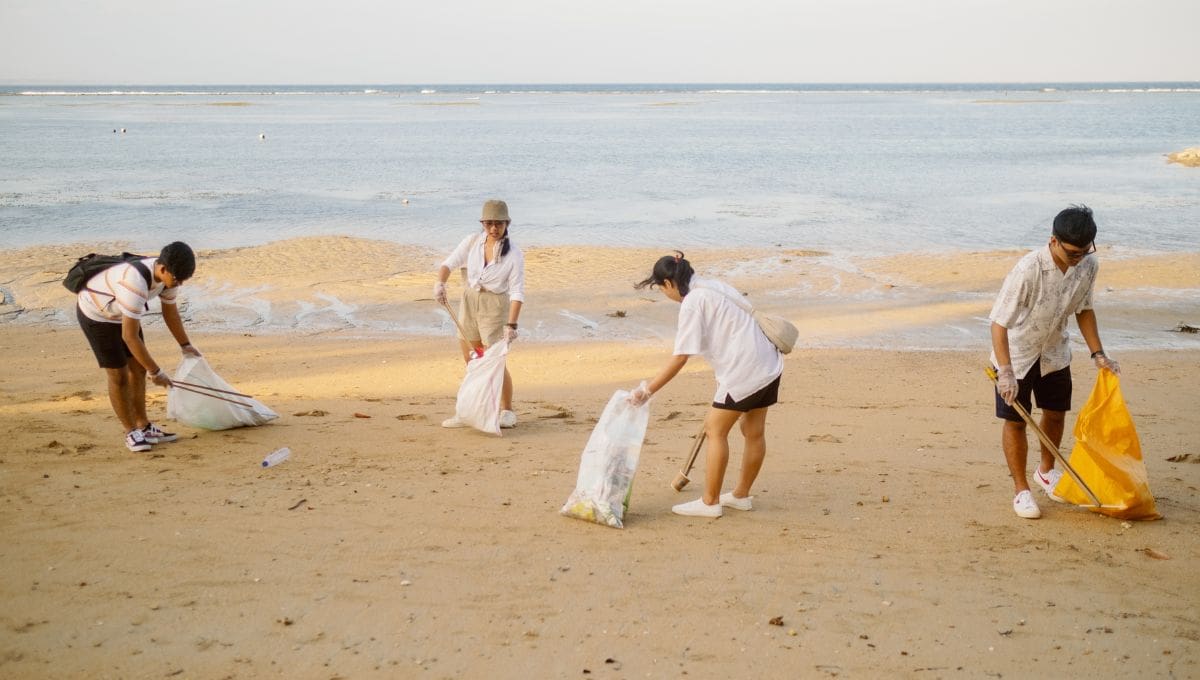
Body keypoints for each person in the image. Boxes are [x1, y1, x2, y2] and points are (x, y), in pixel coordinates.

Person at [628, 252, 784, 518]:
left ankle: (710, 502)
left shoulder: (692, 302)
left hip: (744, 370)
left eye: (661, 289)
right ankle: (740, 496)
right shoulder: (712, 285)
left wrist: (647, 390)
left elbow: (680, 358)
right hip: (768, 362)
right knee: (753, 430)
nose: (665, 295)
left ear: (668, 284)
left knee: (715, 429)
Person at [990, 205, 1120, 519]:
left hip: (1055, 352)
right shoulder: (1028, 270)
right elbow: (998, 323)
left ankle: (1046, 472)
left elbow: (1084, 309)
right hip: (1017, 355)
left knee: (1056, 413)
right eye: (1073, 253)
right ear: (1053, 241)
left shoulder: (1088, 265)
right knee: (1017, 420)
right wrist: (1005, 372)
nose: (1078, 259)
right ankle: (1022, 490)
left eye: (1084, 253)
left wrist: (1098, 354)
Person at [76, 241, 200, 452]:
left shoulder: (168, 279)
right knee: (119, 376)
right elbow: (130, 337)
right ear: (162, 269)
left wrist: (185, 345)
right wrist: (157, 371)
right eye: (178, 280)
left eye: (183, 281)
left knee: (139, 369)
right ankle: (131, 431)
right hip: (96, 315)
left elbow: (170, 312)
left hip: (122, 313)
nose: (179, 285)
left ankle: (143, 425)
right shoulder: (134, 283)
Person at [435, 199, 526, 429]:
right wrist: (440, 284)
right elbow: (449, 263)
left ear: (507, 224)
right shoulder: (472, 241)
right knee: (472, 359)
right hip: (469, 301)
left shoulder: (514, 254)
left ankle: (507, 411)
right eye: (489, 224)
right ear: (483, 224)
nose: (493, 228)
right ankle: (470, 410)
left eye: (498, 224)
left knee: (494, 361)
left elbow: (517, 292)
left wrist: (511, 325)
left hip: (495, 307)